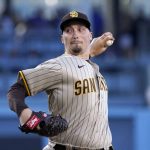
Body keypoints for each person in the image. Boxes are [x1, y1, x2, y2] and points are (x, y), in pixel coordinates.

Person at [7, 10, 115, 150]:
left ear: (90, 35)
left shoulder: (92, 66)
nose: (75, 34)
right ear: (62, 39)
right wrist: (25, 115)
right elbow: (15, 91)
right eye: (69, 31)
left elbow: (81, 61)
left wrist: (92, 50)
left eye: (81, 29)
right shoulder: (58, 66)